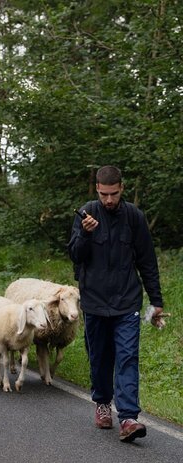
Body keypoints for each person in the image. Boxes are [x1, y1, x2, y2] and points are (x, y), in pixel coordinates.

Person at [68, 165, 163, 443]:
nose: (109, 200)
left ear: (122, 188)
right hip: (95, 301)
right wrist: (84, 234)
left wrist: (155, 301)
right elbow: (75, 255)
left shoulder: (134, 217)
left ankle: (129, 418)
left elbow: (147, 261)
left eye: (113, 194)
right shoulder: (86, 214)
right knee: (100, 358)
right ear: (97, 189)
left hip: (126, 301)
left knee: (127, 357)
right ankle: (101, 402)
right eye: (103, 194)